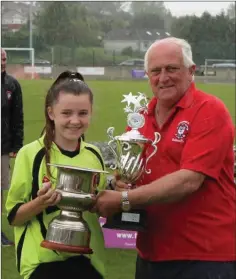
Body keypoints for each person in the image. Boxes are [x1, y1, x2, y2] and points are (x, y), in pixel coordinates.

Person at [94, 37, 236, 279]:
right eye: (156, 71)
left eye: (172, 69)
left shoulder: (209, 110)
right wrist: (121, 183)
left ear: (191, 71)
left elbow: (189, 180)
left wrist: (123, 199)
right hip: (151, 251)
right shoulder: (140, 118)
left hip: (204, 256)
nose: (163, 78)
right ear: (147, 75)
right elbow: (132, 172)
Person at [6, 71, 106, 279]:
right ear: (51, 113)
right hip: (43, 264)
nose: (75, 121)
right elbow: (14, 217)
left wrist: (118, 195)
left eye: (83, 113)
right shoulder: (31, 154)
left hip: (88, 263)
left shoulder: (94, 155)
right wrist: (40, 203)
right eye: (66, 113)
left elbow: (101, 207)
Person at [1, 48, 24, 246]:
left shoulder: (12, 84)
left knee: (1, 189)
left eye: (4, 58)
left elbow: (17, 117)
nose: (2, 62)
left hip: (3, 146)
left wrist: (17, 144)